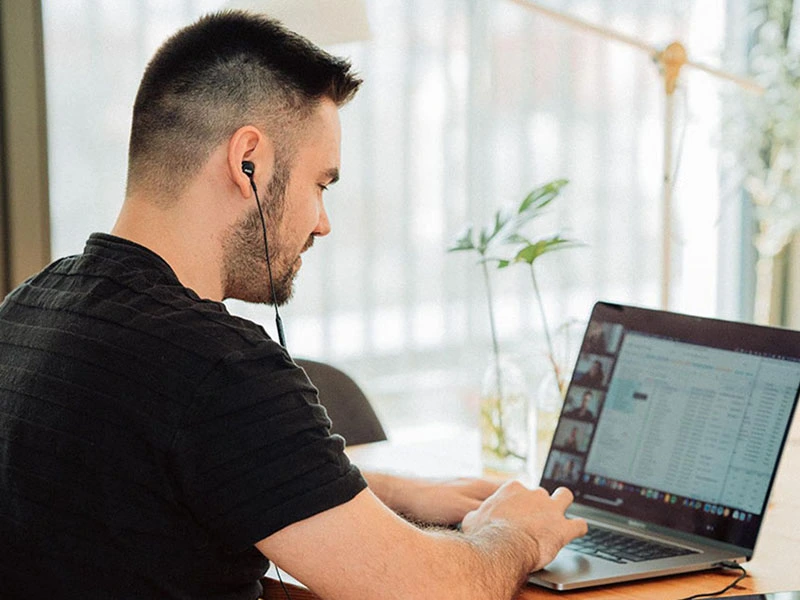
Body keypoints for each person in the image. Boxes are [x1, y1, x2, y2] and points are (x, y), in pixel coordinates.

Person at [0, 11, 586, 600]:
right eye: (320, 185)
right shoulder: (217, 366)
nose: (322, 223)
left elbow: (178, 480)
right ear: (247, 160)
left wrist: (381, 491)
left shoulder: (30, 308)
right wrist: (513, 532)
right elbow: (434, 592)